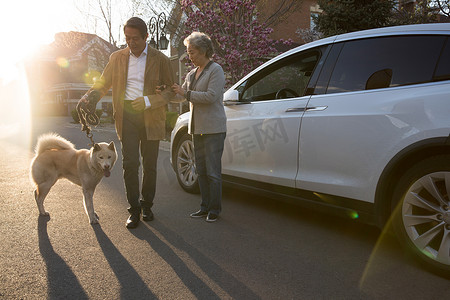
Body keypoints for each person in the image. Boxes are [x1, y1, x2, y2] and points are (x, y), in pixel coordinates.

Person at [83, 17, 175, 228]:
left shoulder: (160, 59)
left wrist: (149, 100)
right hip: (126, 115)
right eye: (127, 38)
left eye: (135, 38)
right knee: (130, 164)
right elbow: (103, 82)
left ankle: (147, 205)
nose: (130, 43)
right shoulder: (117, 57)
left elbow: (171, 91)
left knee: (149, 165)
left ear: (146, 37)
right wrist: (91, 97)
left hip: (151, 116)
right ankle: (134, 210)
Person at [172, 32, 227, 222]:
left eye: (192, 52)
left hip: (213, 128)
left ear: (203, 50)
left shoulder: (216, 70)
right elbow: (181, 95)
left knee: (212, 171)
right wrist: (168, 91)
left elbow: (210, 96)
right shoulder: (191, 74)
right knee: (201, 170)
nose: (190, 56)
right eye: (188, 52)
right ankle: (204, 207)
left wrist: (185, 93)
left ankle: (215, 209)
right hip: (196, 129)